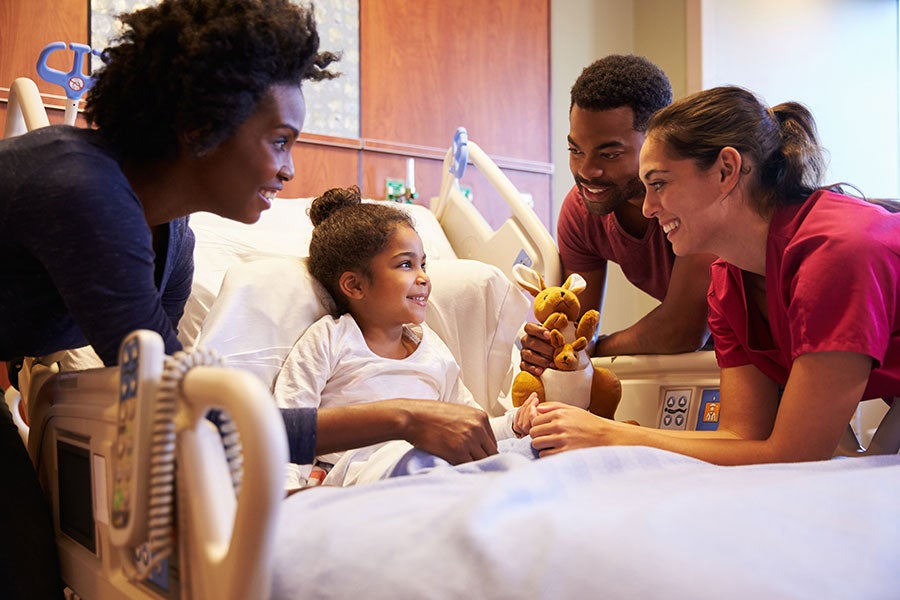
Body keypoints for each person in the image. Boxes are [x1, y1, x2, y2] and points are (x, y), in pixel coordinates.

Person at [0, 1, 486, 597]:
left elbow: (176, 400)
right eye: (279, 142)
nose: (288, 170)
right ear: (200, 128)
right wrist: (403, 417)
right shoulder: (83, 192)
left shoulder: (172, 241)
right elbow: (191, 410)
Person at [529, 85, 900, 465]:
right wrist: (609, 434)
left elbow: (795, 453)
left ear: (726, 169)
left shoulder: (837, 252)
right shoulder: (728, 282)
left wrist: (610, 435)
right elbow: (741, 437)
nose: (648, 209)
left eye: (658, 184)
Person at [274, 187, 534, 487]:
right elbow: (289, 428)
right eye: (406, 264)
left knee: (527, 452)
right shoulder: (330, 340)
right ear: (355, 286)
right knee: (409, 456)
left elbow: (469, 424)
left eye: (423, 264)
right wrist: (289, 494)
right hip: (367, 472)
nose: (423, 277)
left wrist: (514, 425)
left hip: (441, 466)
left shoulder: (432, 347)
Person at [520, 55, 714, 379]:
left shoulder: (696, 198)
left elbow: (684, 329)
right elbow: (576, 328)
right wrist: (557, 347)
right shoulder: (581, 212)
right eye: (575, 150)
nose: (586, 171)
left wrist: (595, 348)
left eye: (609, 154)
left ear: (657, 138)